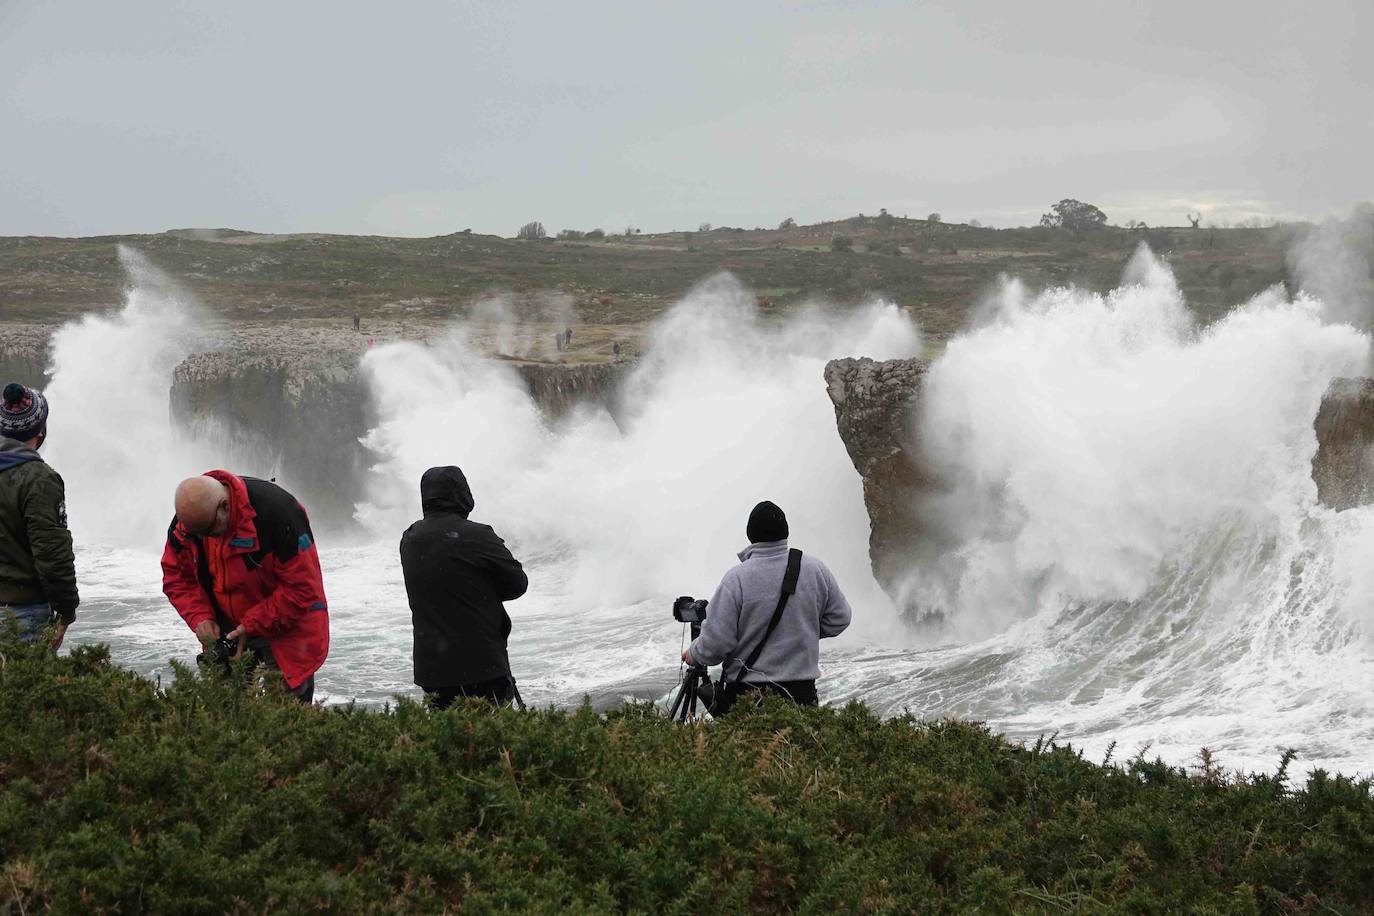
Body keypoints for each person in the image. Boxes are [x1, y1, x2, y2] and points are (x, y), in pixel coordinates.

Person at [161, 471, 330, 702]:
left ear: (225, 506)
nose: (205, 537)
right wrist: (200, 617)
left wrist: (250, 625)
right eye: (198, 533)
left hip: (285, 627)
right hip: (229, 630)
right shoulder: (191, 521)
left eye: (209, 530)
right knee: (228, 715)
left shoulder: (278, 512)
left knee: (287, 717)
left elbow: (303, 589)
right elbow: (176, 576)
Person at [683, 500, 850, 712]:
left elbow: (717, 643)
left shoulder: (737, 578)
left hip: (750, 696)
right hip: (801, 694)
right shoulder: (815, 569)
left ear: (750, 535)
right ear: (785, 531)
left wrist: (694, 654)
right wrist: (799, 631)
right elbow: (840, 618)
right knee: (801, 744)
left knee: (756, 745)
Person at [399, 466, 528, 708]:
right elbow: (518, 584)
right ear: (462, 494)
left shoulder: (410, 538)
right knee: (491, 737)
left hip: (433, 669)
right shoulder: (478, 536)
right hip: (482, 665)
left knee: (447, 738)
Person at [0, 382, 77, 648]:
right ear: (40, 430)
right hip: (22, 611)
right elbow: (52, 554)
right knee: (23, 688)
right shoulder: (39, 479)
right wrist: (66, 612)